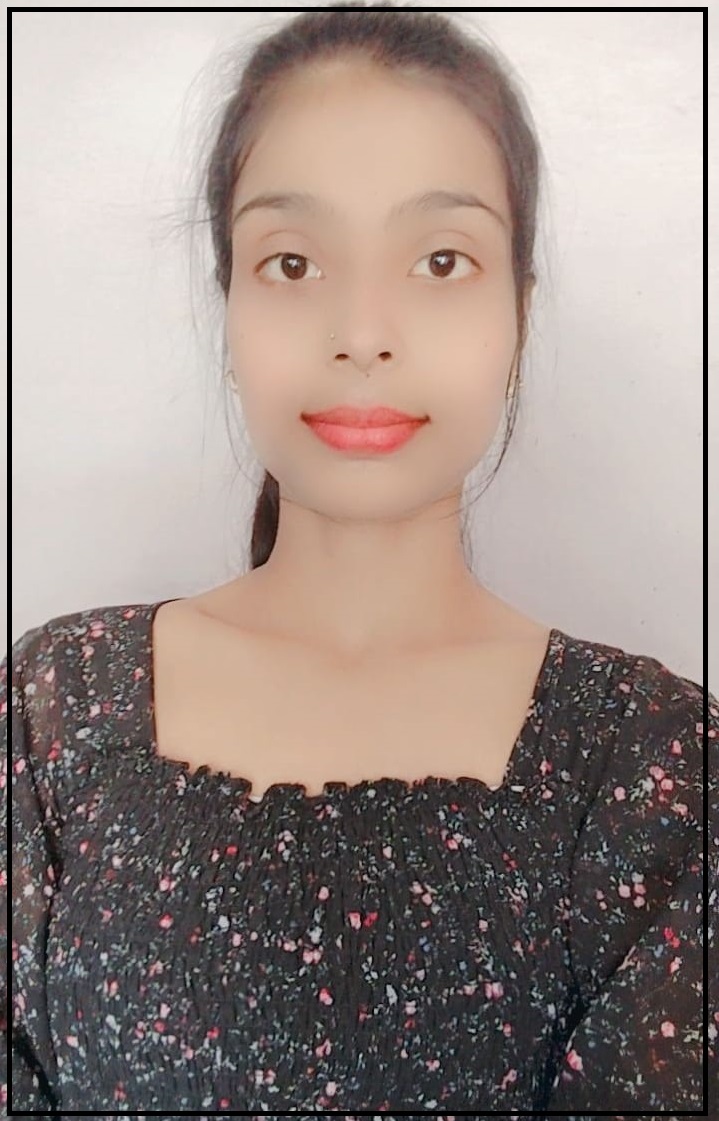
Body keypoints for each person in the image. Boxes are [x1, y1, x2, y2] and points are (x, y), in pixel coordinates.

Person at [3, 4, 715, 1115]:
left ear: (518, 317)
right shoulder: (54, 711)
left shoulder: (655, 767)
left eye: (440, 259)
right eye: (292, 262)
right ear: (229, 306)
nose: (363, 330)